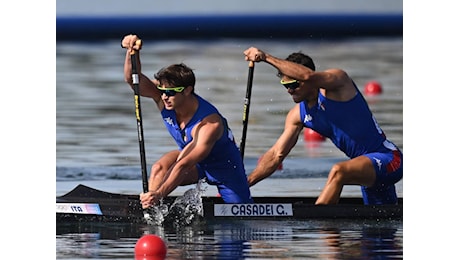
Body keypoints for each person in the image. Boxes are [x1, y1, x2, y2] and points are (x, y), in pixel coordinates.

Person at [243, 47, 402, 205]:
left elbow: (307, 75)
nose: (290, 90)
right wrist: (244, 183)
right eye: (285, 85)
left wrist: (266, 57)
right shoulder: (297, 115)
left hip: (389, 159)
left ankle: (318, 225)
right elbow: (275, 155)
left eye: (293, 84)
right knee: (379, 224)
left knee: (338, 172)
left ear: (309, 81)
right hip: (366, 169)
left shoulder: (339, 84)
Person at [122, 34, 253, 209]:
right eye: (161, 90)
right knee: (160, 167)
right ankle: (151, 207)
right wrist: (132, 53)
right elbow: (134, 80)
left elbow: (184, 165)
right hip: (194, 164)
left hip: (225, 169)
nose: (164, 96)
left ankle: (156, 197)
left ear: (187, 90)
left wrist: (161, 193)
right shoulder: (164, 98)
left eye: (170, 92)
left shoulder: (209, 124)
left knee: (242, 215)